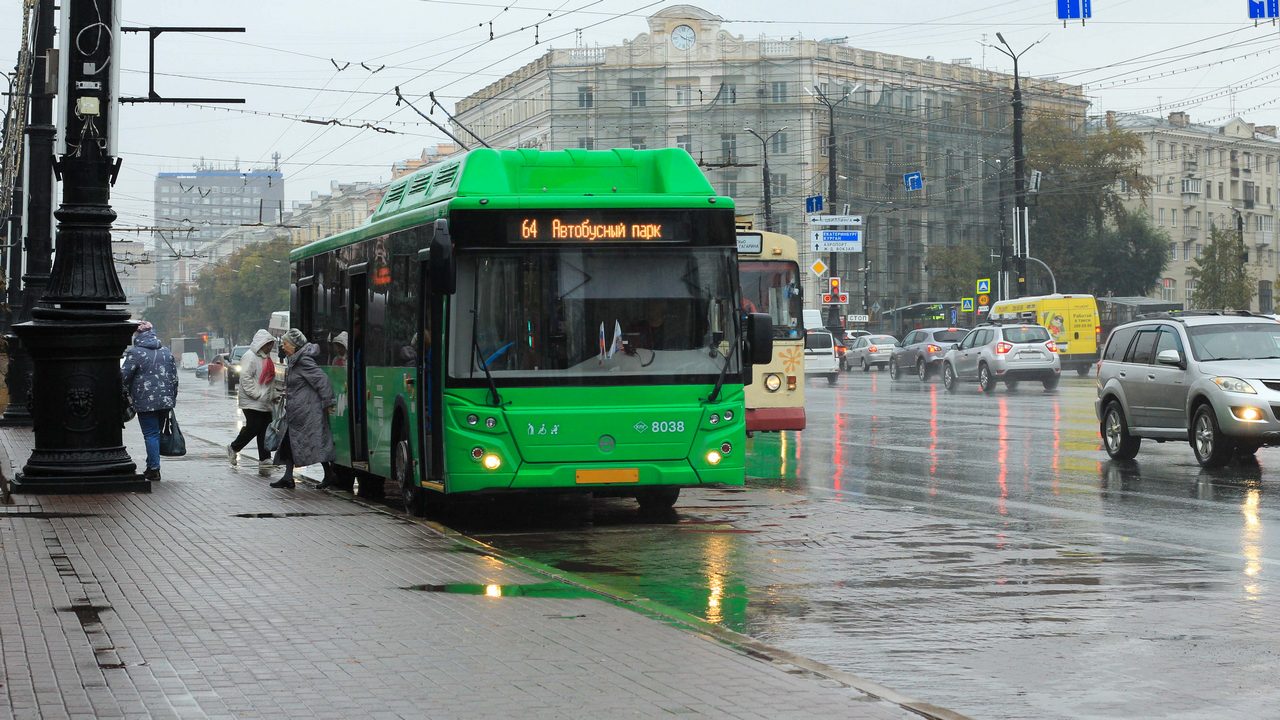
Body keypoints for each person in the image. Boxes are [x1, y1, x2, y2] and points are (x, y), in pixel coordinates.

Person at [270, 328, 337, 489]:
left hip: (307, 413)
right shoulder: (294, 360)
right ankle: (288, 477)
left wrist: (328, 402)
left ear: (294, 345)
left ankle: (329, 475)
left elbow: (322, 380)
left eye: (285, 343)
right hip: (297, 413)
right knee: (290, 444)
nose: (283, 346)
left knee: (314, 444)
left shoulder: (303, 361)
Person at [120, 321, 178, 482]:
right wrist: (172, 398)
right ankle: (151, 464)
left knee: (150, 434)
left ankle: (154, 469)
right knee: (156, 434)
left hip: (145, 401)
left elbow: (124, 377)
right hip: (165, 401)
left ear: (137, 336)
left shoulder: (136, 353)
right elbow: (174, 378)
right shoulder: (166, 352)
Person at [227, 329, 279, 476]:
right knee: (254, 426)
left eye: (271, 344)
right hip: (252, 401)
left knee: (265, 429)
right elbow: (246, 378)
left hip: (265, 401)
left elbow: (270, 381)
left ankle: (265, 458)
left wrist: (272, 395)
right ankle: (234, 447)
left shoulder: (266, 358)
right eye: (268, 344)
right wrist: (257, 394)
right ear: (261, 344)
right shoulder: (250, 357)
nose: (270, 347)